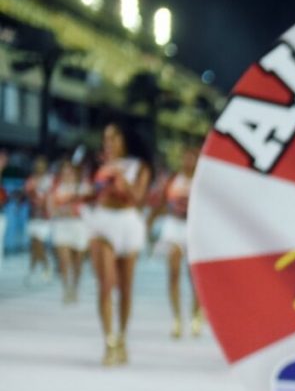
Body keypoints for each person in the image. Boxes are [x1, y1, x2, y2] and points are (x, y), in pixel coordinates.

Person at [84, 123, 152, 366]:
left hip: (128, 224)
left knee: (126, 288)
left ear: (125, 139)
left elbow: (138, 199)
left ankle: (122, 338)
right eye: (106, 138)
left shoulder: (138, 166)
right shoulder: (99, 166)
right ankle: (109, 342)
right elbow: (93, 194)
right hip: (102, 223)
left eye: (113, 138)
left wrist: (121, 177)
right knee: (105, 284)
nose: (108, 143)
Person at [154, 146, 201, 338]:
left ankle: (195, 313)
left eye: (192, 157)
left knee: (195, 277)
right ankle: (176, 317)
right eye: (185, 157)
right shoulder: (173, 179)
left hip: (194, 228)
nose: (188, 161)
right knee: (173, 272)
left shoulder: (201, 180)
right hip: (174, 227)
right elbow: (162, 203)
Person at [47, 158, 90, 303]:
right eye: (64, 170)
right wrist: (63, 212)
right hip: (62, 226)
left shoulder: (83, 187)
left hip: (79, 227)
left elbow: (91, 206)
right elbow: (51, 210)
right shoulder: (55, 189)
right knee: (64, 261)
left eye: (69, 170)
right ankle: (66, 289)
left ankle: (75, 287)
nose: (67, 173)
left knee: (78, 262)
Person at [23, 155, 53, 285]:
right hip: (32, 216)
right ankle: (33, 270)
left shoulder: (49, 180)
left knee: (38, 243)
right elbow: (27, 195)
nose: (39, 168)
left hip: (44, 216)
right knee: (33, 245)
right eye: (37, 165)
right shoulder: (31, 179)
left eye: (42, 165)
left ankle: (46, 266)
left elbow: (50, 197)